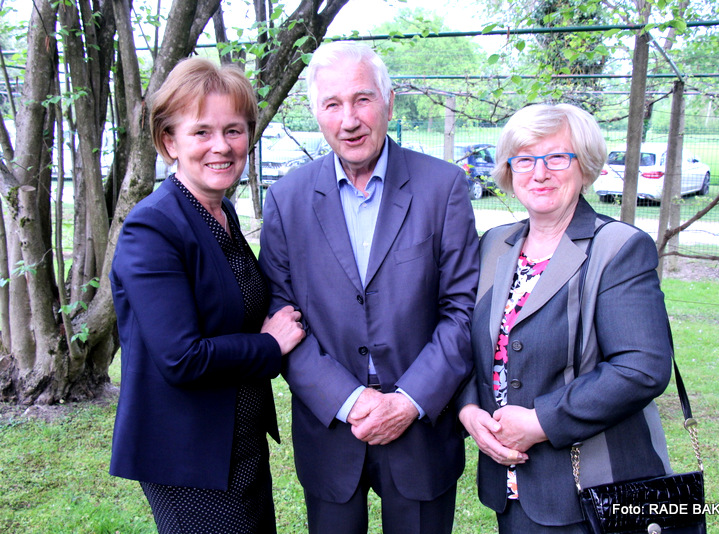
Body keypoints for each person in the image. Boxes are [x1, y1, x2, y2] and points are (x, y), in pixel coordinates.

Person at [258, 41, 480, 534]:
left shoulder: (443, 188)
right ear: (317, 113)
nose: (349, 120)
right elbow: (280, 315)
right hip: (331, 429)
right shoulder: (287, 199)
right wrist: (348, 399)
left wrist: (408, 401)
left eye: (362, 99)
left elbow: (463, 311)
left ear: (389, 103)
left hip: (420, 427)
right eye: (332, 104)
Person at [108, 57, 305, 534]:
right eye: (201, 132)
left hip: (237, 441)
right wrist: (270, 345)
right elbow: (182, 357)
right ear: (169, 142)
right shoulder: (152, 228)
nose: (222, 146)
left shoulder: (221, 213)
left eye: (234, 130)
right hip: (189, 457)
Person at [457, 103, 674, 533]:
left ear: (585, 165)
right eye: (524, 159)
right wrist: (468, 409)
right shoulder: (494, 244)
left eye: (557, 157)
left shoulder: (618, 247)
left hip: (595, 493)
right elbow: (472, 342)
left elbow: (642, 367)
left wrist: (540, 422)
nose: (539, 173)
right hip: (510, 488)